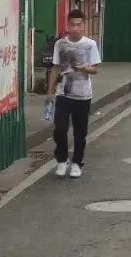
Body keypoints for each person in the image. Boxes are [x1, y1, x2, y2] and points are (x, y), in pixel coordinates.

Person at [47, 10, 101, 179]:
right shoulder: (60, 45)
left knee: (80, 132)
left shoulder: (90, 44)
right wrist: (49, 92)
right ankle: (62, 160)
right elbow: (55, 68)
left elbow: (95, 69)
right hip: (63, 93)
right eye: (72, 25)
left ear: (84, 25)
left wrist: (84, 68)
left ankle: (77, 162)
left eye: (79, 25)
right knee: (60, 129)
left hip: (83, 95)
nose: (75, 28)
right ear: (67, 26)